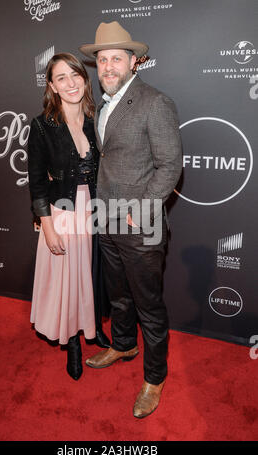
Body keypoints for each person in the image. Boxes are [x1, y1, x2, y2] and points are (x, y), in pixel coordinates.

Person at [79, 22, 182, 417]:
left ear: (134, 62)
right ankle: (123, 344)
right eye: (102, 59)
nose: (107, 65)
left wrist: (141, 212)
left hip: (141, 226)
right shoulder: (103, 103)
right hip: (107, 220)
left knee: (149, 306)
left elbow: (170, 165)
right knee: (119, 296)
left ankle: (154, 379)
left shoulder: (154, 102)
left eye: (116, 58)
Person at [28, 52, 110, 381]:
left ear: (84, 79)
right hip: (63, 211)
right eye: (61, 78)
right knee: (68, 280)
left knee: (91, 275)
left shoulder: (96, 119)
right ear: (52, 86)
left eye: (75, 75)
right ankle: (73, 340)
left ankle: (92, 329)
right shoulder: (42, 125)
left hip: (96, 209)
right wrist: (47, 227)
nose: (70, 82)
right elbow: (36, 182)